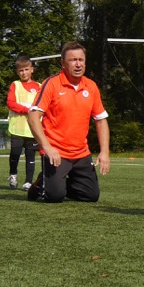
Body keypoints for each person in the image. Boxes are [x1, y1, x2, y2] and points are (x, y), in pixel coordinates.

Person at [27, 41, 110, 203]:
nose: (78, 64)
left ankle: (59, 182)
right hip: (56, 153)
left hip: (81, 153)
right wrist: (47, 147)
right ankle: (41, 183)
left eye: (81, 60)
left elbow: (101, 120)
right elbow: (33, 117)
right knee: (55, 197)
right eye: (73, 60)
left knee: (91, 196)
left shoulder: (91, 86)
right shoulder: (51, 84)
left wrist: (104, 151)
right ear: (63, 63)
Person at [6, 56, 41, 191]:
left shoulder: (39, 86)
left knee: (30, 155)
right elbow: (11, 103)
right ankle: (13, 175)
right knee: (15, 153)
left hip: (32, 129)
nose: (24, 72)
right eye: (21, 70)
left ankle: (28, 182)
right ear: (17, 72)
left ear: (32, 70)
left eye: (26, 69)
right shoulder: (15, 85)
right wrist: (28, 110)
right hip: (17, 128)